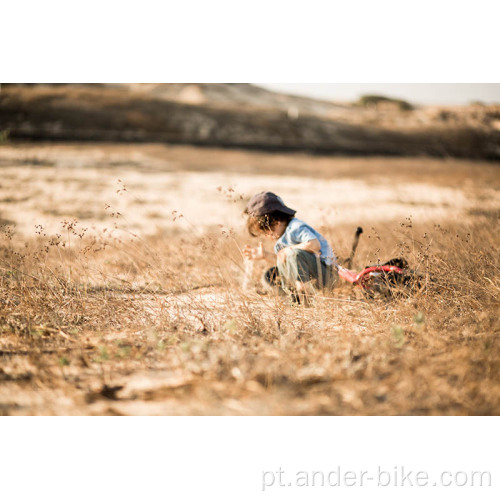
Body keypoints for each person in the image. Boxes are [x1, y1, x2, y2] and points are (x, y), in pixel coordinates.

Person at [242, 192, 338, 303]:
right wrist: (265, 255)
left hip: (326, 274)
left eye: (267, 232)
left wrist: (289, 250)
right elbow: (284, 262)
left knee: (294, 254)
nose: (267, 237)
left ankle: (303, 295)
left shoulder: (295, 227)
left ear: (276, 222)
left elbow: (315, 245)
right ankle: (292, 295)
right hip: (309, 276)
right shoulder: (281, 241)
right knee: (270, 275)